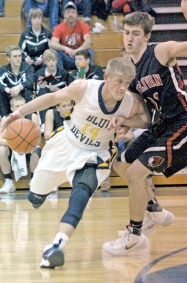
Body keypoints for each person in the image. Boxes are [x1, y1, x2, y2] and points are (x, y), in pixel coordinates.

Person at [1, 57, 150, 268]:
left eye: (127, 83)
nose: (123, 88)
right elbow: (52, 97)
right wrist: (19, 112)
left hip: (97, 152)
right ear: (106, 77)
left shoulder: (129, 102)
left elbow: (145, 119)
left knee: (81, 193)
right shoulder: (83, 88)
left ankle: (56, 245)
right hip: (66, 143)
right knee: (34, 198)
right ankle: (39, 193)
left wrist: (126, 123)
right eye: (119, 81)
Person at [103, 0, 187, 255]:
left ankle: (134, 235)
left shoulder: (161, 51)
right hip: (159, 126)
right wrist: (124, 123)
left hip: (184, 123)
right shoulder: (130, 69)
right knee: (121, 165)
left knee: (136, 173)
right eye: (126, 33)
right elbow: (145, 117)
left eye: (135, 34)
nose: (129, 39)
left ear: (147, 37)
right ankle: (154, 210)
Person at [0, 96, 40, 193]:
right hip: (13, 147)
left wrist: (24, 142)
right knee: (1, 149)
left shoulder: (33, 116)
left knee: (37, 149)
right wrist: (15, 142)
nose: (21, 108)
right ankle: (8, 182)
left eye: (23, 105)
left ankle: (33, 180)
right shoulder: (6, 119)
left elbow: (37, 138)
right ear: (12, 109)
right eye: (17, 106)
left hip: (29, 146)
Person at [50, 1, 93, 71]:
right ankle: (62, 76)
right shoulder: (59, 27)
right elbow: (52, 43)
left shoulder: (83, 26)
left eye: (73, 12)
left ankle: (84, 73)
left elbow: (89, 42)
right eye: (68, 12)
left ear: (77, 14)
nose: (70, 15)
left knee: (89, 51)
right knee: (54, 51)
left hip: (79, 56)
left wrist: (77, 51)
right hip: (66, 58)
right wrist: (66, 49)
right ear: (64, 15)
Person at [35, 49, 70, 127]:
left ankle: (65, 122)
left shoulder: (64, 73)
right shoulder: (38, 74)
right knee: (41, 95)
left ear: (57, 60)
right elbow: (34, 91)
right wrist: (41, 87)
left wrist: (57, 90)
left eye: (53, 60)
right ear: (44, 62)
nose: (51, 63)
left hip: (59, 99)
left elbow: (69, 91)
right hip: (44, 100)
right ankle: (43, 124)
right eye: (48, 60)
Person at [0, 45, 35, 117]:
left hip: (23, 94)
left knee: (28, 91)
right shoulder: (3, 70)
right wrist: (7, 90)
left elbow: (30, 80)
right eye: (15, 56)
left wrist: (19, 87)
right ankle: (4, 119)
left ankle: (29, 118)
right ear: (8, 58)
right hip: (9, 95)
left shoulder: (28, 68)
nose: (18, 59)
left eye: (19, 56)